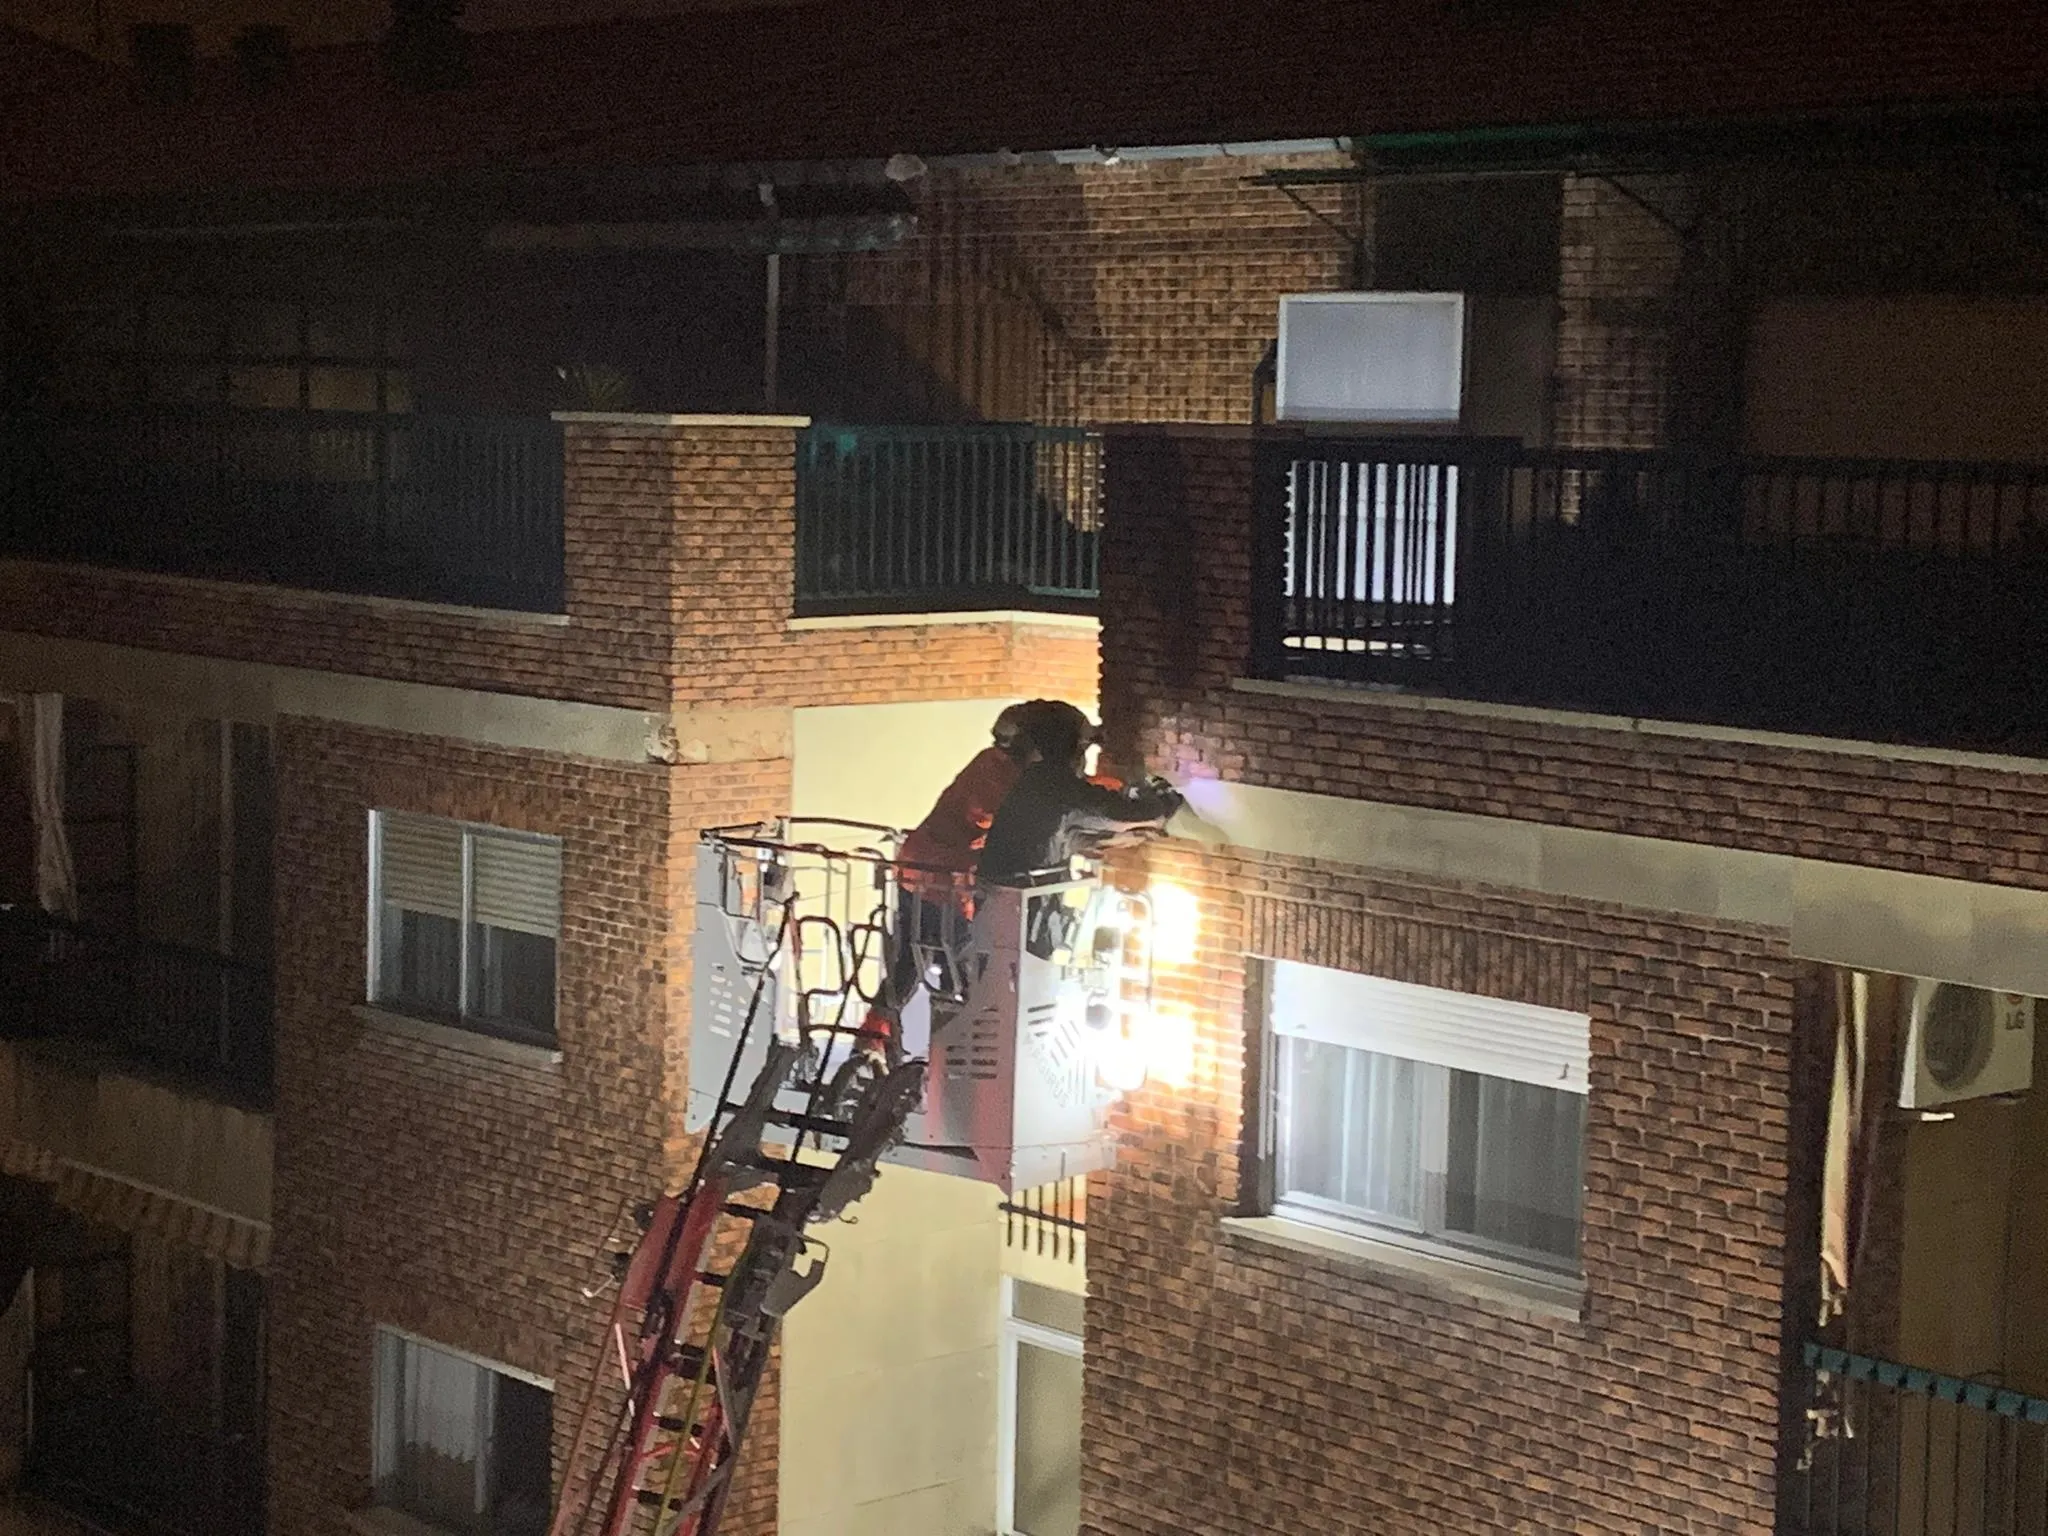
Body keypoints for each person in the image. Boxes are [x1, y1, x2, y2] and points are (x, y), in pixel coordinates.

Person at [866, 700, 1072, 1044]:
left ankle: (873, 1037)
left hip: (922, 869)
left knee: (911, 961)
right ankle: (952, 1051)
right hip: (945, 878)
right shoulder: (1007, 779)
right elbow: (1018, 814)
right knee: (959, 970)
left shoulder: (991, 763)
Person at [977, 708, 1183, 888]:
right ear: (1068, 749)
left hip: (1011, 905)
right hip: (1021, 906)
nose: (1084, 760)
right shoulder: (1055, 784)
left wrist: (1123, 837)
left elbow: (1073, 836)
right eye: (1083, 750)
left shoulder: (1036, 783)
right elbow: (1131, 813)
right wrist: (1155, 791)